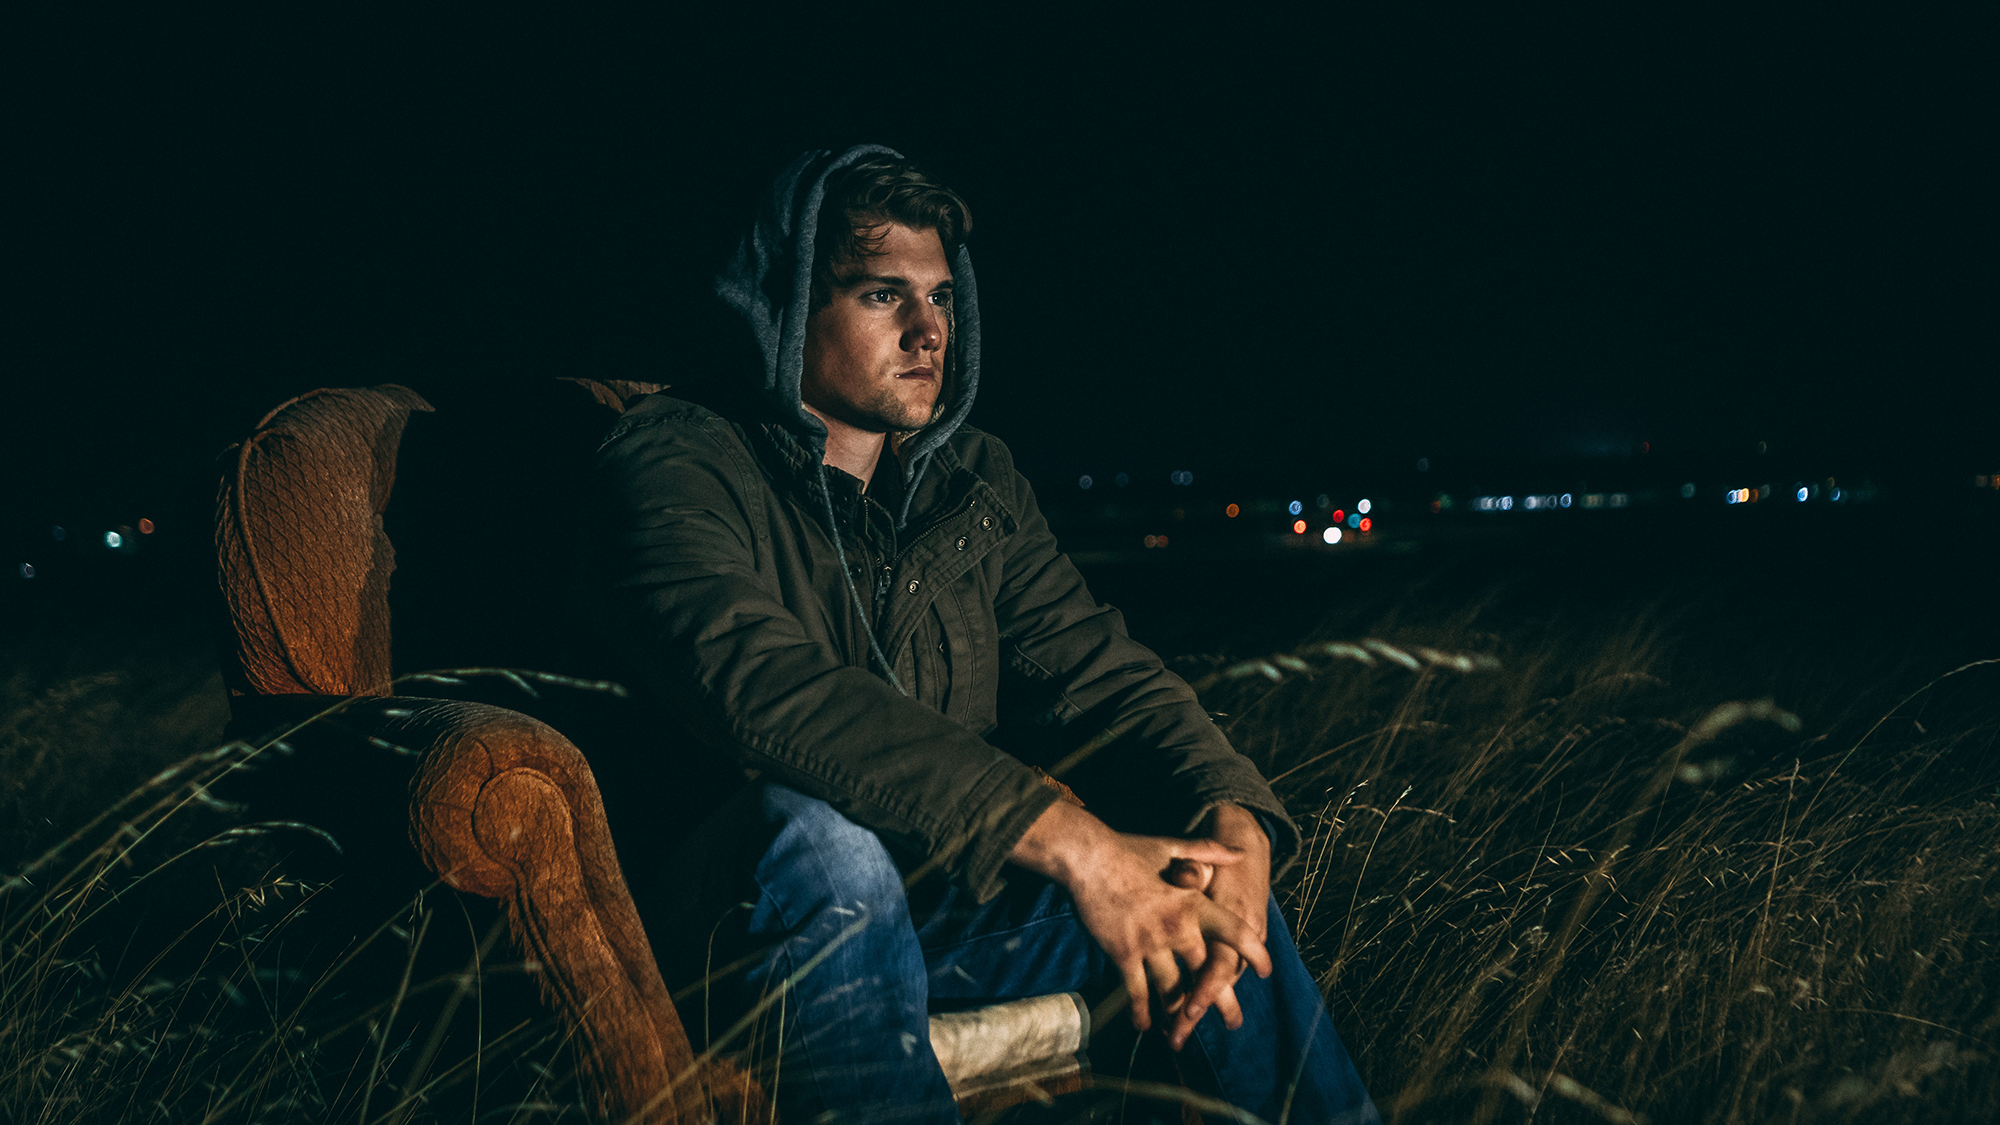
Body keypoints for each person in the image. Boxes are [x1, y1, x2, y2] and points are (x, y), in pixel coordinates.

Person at [582, 144, 1375, 1123]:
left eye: (941, 298)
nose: (927, 331)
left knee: (1207, 900)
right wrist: (1074, 845)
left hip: (937, 905)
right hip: (734, 917)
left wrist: (1230, 812)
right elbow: (755, 680)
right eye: (882, 297)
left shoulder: (973, 484)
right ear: (783, 309)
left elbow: (1101, 668)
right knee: (821, 843)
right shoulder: (675, 459)